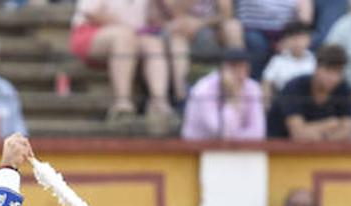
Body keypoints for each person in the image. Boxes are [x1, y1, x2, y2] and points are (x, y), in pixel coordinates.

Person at [68, 0, 179, 131]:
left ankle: (159, 103)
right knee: (125, 37)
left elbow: (156, 20)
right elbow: (91, 13)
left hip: (135, 35)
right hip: (93, 32)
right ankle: (122, 104)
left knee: (153, 44)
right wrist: (129, 28)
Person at [270, 43, 351, 140]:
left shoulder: (343, 88)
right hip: (280, 149)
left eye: (338, 72)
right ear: (316, 68)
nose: (333, 78)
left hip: (324, 152)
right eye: (329, 71)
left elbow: (348, 131)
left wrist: (319, 136)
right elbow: (298, 135)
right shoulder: (295, 87)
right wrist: (329, 124)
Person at [181, 46, 267, 139]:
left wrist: (237, 141)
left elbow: (258, 133)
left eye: (243, 67)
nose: (240, 72)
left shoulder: (253, 88)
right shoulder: (203, 89)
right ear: (222, 69)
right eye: (234, 67)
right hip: (197, 148)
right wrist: (233, 97)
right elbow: (219, 132)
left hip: (239, 149)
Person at [234, 0, 310, 79]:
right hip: (252, 28)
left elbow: (305, 19)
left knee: (297, 44)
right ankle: (254, 83)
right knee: (257, 44)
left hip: (287, 31)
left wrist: (292, 38)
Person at [259, 19, 314, 110]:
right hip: (284, 106)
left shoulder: (315, 61)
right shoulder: (277, 61)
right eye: (293, 38)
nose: (297, 42)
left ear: (309, 39)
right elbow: (266, 83)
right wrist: (267, 106)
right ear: (286, 40)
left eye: (301, 37)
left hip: (309, 107)